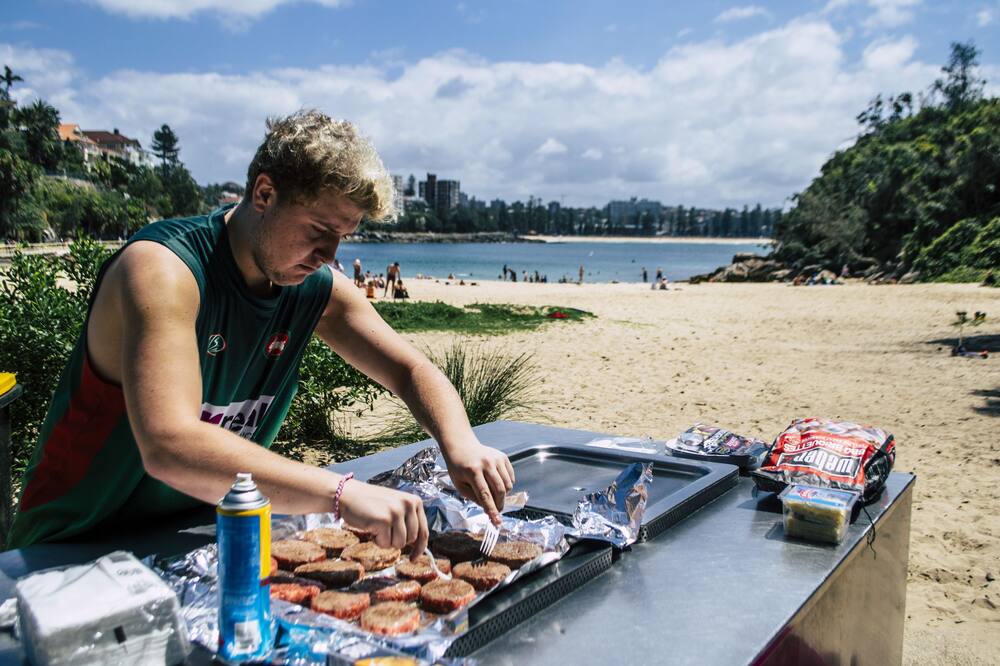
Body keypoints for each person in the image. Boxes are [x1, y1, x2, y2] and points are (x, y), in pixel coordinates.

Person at [9, 110, 514, 554]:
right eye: (319, 231)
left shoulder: (313, 289)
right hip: (72, 546)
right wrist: (341, 493)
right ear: (265, 194)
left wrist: (460, 442)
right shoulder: (164, 270)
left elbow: (409, 369)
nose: (329, 255)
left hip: (199, 535)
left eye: (342, 237)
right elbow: (168, 444)